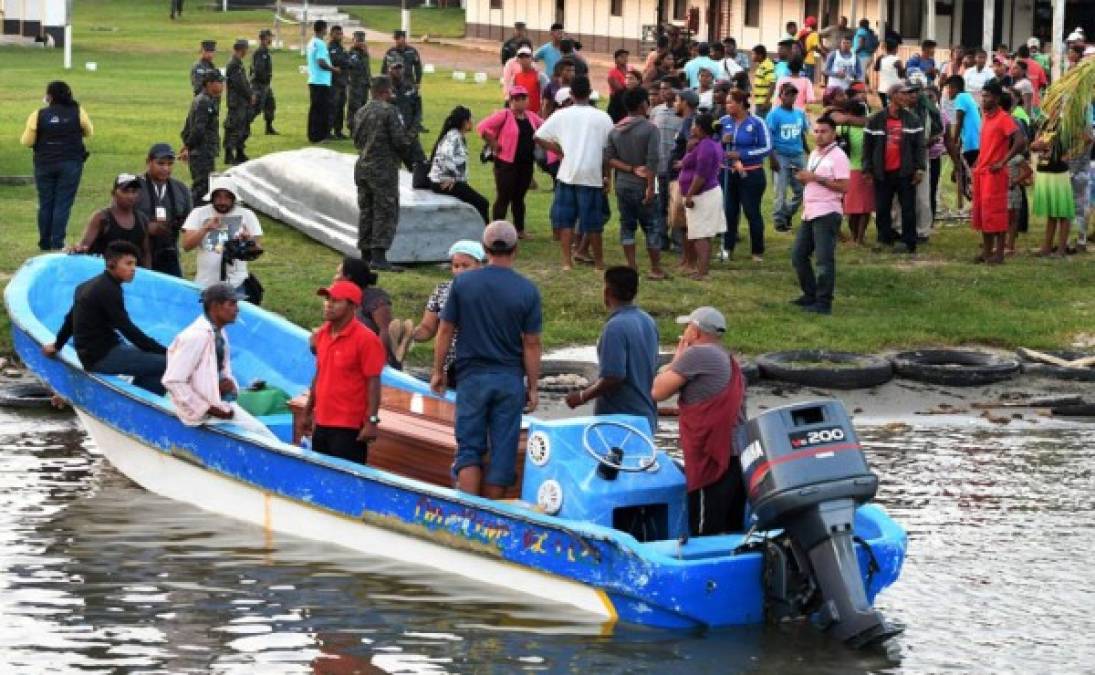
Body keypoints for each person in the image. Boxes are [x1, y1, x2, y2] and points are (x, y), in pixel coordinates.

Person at [430, 221, 542, 499]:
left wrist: (438, 370)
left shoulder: (463, 283)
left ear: (484, 249)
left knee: (469, 448)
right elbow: (531, 343)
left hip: (472, 378)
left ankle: (469, 509)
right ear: (515, 250)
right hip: (509, 380)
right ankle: (493, 517)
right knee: (503, 451)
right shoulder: (527, 290)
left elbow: (445, 329)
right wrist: (533, 386)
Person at [651, 307, 747, 536]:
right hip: (735, 453)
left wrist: (678, 358)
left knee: (705, 532)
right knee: (730, 529)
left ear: (695, 332)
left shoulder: (698, 355)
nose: (684, 333)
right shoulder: (723, 356)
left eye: (686, 328)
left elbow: (657, 391)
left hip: (713, 458)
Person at [43, 241, 168, 395]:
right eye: (128, 264)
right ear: (111, 263)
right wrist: (165, 351)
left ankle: (138, 394)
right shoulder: (108, 290)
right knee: (169, 364)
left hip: (99, 351)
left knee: (154, 360)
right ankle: (139, 402)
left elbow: (70, 319)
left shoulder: (89, 285)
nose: (133, 269)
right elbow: (128, 329)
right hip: (100, 357)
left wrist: (57, 345)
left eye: (134, 264)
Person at [162, 283, 273, 436]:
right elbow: (173, 381)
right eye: (232, 304)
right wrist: (207, 408)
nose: (237, 309)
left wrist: (229, 384)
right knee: (262, 435)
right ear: (215, 306)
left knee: (260, 432)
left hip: (219, 404)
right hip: (202, 412)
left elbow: (219, 370)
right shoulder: (196, 337)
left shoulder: (219, 333)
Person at [534, 75, 615, 271]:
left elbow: (538, 136)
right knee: (593, 223)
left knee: (566, 221)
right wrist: (607, 176)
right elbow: (608, 151)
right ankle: (599, 263)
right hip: (592, 175)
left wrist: (559, 150)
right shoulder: (603, 117)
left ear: (571, 94)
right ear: (590, 93)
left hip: (567, 173)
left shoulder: (562, 114)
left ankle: (566, 262)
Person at [565, 266, 659, 433]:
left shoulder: (615, 328)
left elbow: (613, 376)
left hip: (619, 422)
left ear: (607, 292)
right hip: (645, 417)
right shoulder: (647, 321)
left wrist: (581, 397)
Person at [305, 280, 385, 465]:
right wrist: (308, 410)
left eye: (336, 301)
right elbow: (320, 373)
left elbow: (373, 382)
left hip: (348, 427)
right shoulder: (322, 334)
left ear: (353, 307)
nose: (329, 305)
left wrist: (372, 421)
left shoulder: (366, 340)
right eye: (327, 300)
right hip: (322, 422)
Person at [352, 76, 416, 272]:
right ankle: (379, 257)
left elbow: (355, 140)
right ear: (385, 91)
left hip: (363, 167)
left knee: (367, 211)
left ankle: (365, 254)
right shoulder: (390, 111)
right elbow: (400, 141)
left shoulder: (361, 111)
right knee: (385, 211)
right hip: (383, 169)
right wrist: (412, 134)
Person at [22, 80, 92, 252]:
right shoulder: (78, 111)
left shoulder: (38, 114)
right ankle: (57, 242)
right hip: (71, 163)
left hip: (44, 163)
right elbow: (89, 131)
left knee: (46, 202)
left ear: (49, 96)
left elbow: (27, 141)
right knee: (63, 203)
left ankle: (44, 242)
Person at [605, 87, 666, 280]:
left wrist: (629, 168)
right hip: (644, 185)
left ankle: (631, 266)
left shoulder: (616, 129)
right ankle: (655, 268)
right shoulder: (650, 129)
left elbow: (609, 158)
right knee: (652, 226)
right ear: (642, 105)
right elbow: (652, 161)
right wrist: (650, 187)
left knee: (627, 225)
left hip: (623, 184)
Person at [791, 115, 850, 314]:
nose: (819, 135)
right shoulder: (815, 153)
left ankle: (824, 302)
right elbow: (814, 180)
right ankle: (810, 294)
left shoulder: (839, 156)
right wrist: (805, 179)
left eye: (824, 131)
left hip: (827, 211)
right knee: (798, 255)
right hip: (810, 211)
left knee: (824, 260)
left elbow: (844, 187)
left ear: (833, 133)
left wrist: (815, 178)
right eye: (816, 131)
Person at [412, 240, 486, 387]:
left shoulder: (487, 292)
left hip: (480, 366)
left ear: (479, 265)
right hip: (449, 368)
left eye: (465, 266)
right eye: (456, 266)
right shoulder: (442, 290)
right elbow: (428, 328)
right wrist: (410, 335)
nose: (459, 271)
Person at [862, 84, 925, 254]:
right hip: (882, 171)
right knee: (882, 207)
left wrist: (919, 169)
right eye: (904, 94)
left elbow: (919, 146)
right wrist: (867, 169)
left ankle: (909, 241)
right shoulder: (875, 119)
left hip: (905, 171)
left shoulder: (913, 119)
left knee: (908, 208)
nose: (907, 97)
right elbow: (867, 146)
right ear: (893, 95)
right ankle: (884, 239)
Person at [180, 176, 264, 298]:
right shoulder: (199, 213)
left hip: (237, 284)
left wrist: (248, 241)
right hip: (206, 284)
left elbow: (256, 250)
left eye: (227, 197)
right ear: (212, 197)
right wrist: (205, 228)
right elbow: (187, 245)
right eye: (218, 196)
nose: (222, 202)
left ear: (234, 198)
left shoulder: (247, 215)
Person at [970, 81, 1026, 264]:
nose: (983, 99)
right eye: (982, 96)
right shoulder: (985, 116)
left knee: (997, 214)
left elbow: (1020, 141)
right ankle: (987, 252)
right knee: (984, 213)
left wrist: (1003, 161)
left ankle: (999, 254)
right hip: (982, 172)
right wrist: (978, 161)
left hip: (995, 174)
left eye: (986, 96)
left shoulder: (1004, 118)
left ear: (995, 98)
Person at [478, 86, 543, 237]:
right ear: (511, 101)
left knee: (519, 198)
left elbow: (545, 126)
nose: (520, 102)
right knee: (503, 197)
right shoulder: (504, 115)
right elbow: (482, 127)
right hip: (506, 164)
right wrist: (493, 142)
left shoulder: (531, 117)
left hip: (526, 164)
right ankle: (495, 231)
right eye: (516, 99)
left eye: (523, 98)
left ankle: (520, 229)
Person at [719, 90, 772, 262]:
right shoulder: (723, 122)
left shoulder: (757, 122)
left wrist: (742, 154)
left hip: (751, 174)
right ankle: (727, 248)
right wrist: (721, 142)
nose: (727, 106)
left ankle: (757, 251)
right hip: (728, 173)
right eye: (726, 103)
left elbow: (767, 147)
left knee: (751, 211)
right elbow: (712, 146)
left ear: (741, 103)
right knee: (729, 211)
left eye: (730, 102)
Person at [333, 256, 404, 370]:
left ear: (348, 277)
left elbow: (385, 329)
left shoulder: (374, 298)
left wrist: (376, 358)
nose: (334, 278)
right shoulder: (344, 299)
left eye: (338, 273)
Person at [679, 113, 727, 280]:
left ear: (700, 127)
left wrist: (690, 195)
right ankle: (700, 268)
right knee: (701, 234)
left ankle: (702, 272)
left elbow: (701, 175)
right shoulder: (707, 143)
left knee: (701, 235)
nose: (692, 128)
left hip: (703, 194)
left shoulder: (706, 146)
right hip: (706, 193)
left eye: (694, 125)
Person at [71, 173, 152, 267]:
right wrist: (76, 249)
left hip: (131, 275)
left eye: (134, 191)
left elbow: (146, 253)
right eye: (125, 191)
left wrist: (148, 274)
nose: (130, 196)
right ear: (113, 193)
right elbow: (84, 246)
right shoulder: (102, 218)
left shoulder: (142, 220)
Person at [136, 143, 192, 277]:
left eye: (170, 164)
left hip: (169, 252)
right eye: (160, 163)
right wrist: (145, 227)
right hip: (136, 254)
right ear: (148, 162)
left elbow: (190, 224)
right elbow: (117, 216)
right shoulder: (134, 185)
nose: (165, 168)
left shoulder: (181, 189)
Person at [427, 106, 490, 224]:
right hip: (444, 183)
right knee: (482, 203)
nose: (473, 122)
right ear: (465, 122)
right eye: (471, 119)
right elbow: (446, 156)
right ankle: (487, 235)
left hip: (446, 182)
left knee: (477, 202)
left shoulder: (456, 135)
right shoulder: (454, 137)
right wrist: (453, 177)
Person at [767, 83, 811, 233]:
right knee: (781, 190)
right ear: (781, 96)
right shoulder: (774, 115)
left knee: (803, 189)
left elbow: (802, 134)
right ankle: (779, 221)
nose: (790, 97)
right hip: (781, 155)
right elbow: (769, 138)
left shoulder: (799, 113)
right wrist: (772, 158)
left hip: (797, 154)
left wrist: (808, 152)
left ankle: (787, 213)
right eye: (787, 94)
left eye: (793, 94)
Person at [835, 82, 874, 244]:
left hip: (847, 171)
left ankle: (852, 236)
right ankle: (860, 237)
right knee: (865, 208)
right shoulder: (868, 131)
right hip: (865, 171)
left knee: (851, 208)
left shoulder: (841, 130)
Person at [179, 69, 223, 205]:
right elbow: (198, 129)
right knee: (201, 188)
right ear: (209, 84)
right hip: (202, 152)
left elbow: (187, 127)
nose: (222, 85)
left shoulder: (204, 99)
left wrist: (187, 145)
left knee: (203, 185)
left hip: (203, 151)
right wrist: (188, 146)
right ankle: (190, 214)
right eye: (219, 82)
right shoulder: (204, 101)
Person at [1030, 131, 1075, 257]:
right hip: (1045, 170)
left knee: (1063, 213)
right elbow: (1034, 145)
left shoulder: (1064, 121)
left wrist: (1070, 154)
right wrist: (1037, 145)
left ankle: (1061, 249)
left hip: (1059, 172)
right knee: (1051, 212)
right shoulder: (1046, 122)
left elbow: (1086, 138)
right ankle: (1047, 247)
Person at [651, 82, 682, 251]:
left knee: (676, 204)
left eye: (667, 88)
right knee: (660, 204)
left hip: (676, 168)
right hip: (660, 166)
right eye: (662, 89)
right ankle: (662, 240)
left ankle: (678, 241)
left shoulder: (682, 113)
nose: (663, 91)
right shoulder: (656, 111)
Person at [945, 75, 982, 203]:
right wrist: (958, 144)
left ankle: (976, 202)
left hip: (972, 143)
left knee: (962, 174)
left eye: (949, 88)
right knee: (961, 173)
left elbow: (959, 122)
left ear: (955, 88)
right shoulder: (967, 97)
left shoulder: (960, 98)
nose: (948, 92)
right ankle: (975, 202)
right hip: (973, 141)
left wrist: (953, 142)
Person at [388, 58, 427, 170]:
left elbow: (418, 113)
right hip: (391, 139)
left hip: (410, 137)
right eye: (395, 68)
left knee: (421, 169)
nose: (398, 71)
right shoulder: (384, 90)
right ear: (389, 69)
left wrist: (411, 133)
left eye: (400, 68)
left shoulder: (411, 88)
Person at [223, 39, 254, 165]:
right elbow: (239, 84)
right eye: (246, 49)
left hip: (241, 101)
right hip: (236, 102)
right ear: (242, 49)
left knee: (243, 127)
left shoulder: (238, 62)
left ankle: (240, 153)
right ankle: (229, 155)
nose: (247, 51)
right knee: (234, 128)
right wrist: (249, 95)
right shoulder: (234, 64)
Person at [307, 20, 337, 144]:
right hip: (321, 81)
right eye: (326, 28)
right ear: (323, 29)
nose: (327, 31)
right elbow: (321, 62)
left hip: (314, 79)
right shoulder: (320, 43)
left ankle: (314, 135)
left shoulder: (311, 42)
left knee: (315, 109)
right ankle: (317, 137)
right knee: (321, 110)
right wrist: (334, 69)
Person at [250, 29, 278, 136]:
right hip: (259, 85)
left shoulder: (265, 51)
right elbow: (258, 70)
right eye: (270, 37)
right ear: (265, 38)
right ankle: (244, 126)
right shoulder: (260, 52)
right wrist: (264, 79)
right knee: (256, 108)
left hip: (265, 85)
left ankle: (269, 127)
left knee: (270, 104)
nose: (271, 39)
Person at [328, 25, 351, 139]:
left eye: (340, 34)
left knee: (341, 107)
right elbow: (336, 60)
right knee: (333, 107)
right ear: (331, 34)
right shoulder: (331, 48)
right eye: (337, 34)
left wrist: (345, 60)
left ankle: (338, 130)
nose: (339, 36)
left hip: (343, 82)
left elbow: (348, 61)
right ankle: (328, 131)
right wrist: (345, 60)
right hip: (334, 82)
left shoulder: (341, 48)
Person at [346, 30, 372, 128]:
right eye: (358, 40)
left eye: (362, 41)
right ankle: (352, 127)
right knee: (354, 107)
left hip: (364, 84)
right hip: (355, 84)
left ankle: (361, 127)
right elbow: (351, 65)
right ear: (353, 40)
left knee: (363, 106)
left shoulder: (364, 54)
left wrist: (369, 82)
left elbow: (367, 69)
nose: (361, 43)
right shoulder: (351, 53)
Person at [509, 46, 542, 115]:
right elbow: (512, 96)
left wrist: (541, 111)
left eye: (527, 56)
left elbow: (545, 96)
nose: (524, 59)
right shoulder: (516, 77)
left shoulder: (539, 76)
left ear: (531, 58)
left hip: (536, 114)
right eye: (521, 57)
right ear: (518, 60)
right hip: (520, 115)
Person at [874, 39, 904, 108]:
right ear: (896, 49)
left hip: (882, 89)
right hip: (893, 90)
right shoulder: (896, 59)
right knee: (894, 110)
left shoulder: (880, 58)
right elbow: (901, 75)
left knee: (886, 110)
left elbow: (876, 69)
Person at [852, 19, 879, 87]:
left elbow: (861, 43)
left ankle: (861, 91)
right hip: (869, 56)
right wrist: (872, 51)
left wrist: (854, 52)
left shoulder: (861, 31)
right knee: (862, 73)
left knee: (861, 75)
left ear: (860, 24)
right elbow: (877, 43)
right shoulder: (870, 32)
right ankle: (866, 87)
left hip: (862, 56)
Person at [751, 45, 777, 117]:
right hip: (759, 101)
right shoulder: (761, 65)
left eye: (753, 54)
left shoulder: (767, 65)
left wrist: (766, 102)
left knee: (761, 124)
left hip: (763, 102)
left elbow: (772, 83)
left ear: (760, 55)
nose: (752, 56)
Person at [607, 48, 630, 123]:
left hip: (627, 102)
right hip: (616, 103)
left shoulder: (631, 70)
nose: (625, 58)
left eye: (626, 56)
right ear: (616, 60)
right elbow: (619, 88)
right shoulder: (612, 73)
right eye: (622, 56)